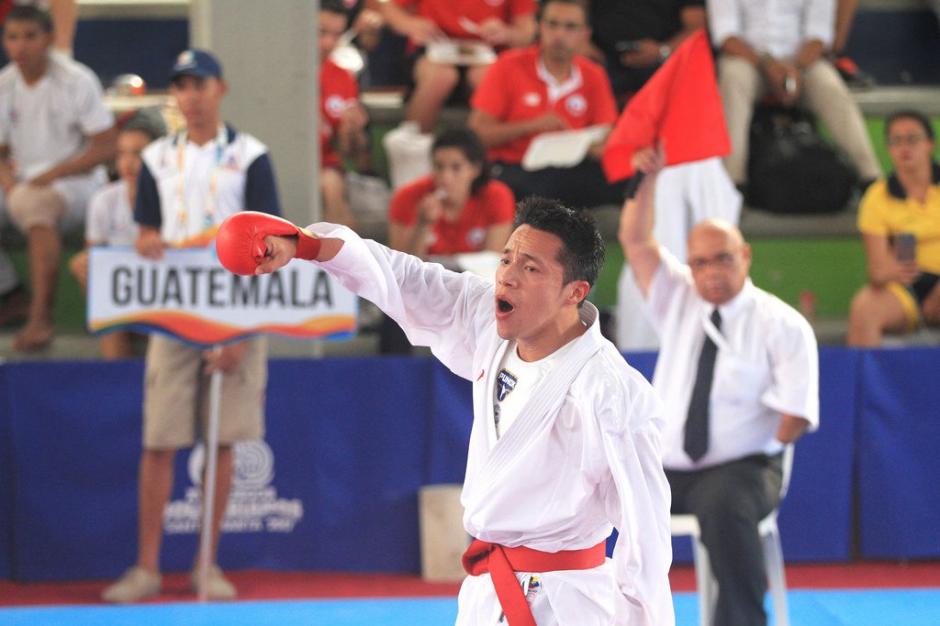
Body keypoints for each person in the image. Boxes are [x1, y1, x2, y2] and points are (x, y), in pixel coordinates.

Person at [215, 197, 675, 625]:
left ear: (574, 292)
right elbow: (405, 278)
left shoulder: (611, 392)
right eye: (506, 259)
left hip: (568, 602)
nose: (508, 276)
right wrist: (307, 246)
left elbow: (646, 531)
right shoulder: (489, 323)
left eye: (530, 268)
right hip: (487, 591)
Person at [101, 49, 281, 604]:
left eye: (200, 84)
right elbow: (147, 232)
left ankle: (208, 565)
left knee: (223, 440)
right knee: (160, 440)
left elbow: (270, 247)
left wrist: (242, 331)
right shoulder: (156, 158)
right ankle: (147, 567)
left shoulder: (251, 155)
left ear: (220, 89)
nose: (192, 94)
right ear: (174, 95)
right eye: (182, 85)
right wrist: (147, 238)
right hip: (173, 313)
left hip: (235, 310)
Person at [620, 145, 818, 626]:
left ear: (745, 256)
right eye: (701, 262)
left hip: (745, 468)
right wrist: (645, 181)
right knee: (604, 489)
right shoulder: (680, 297)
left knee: (727, 501)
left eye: (722, 259)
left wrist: (742, 439)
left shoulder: (782, 324)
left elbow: (794, 419)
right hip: (669, 466)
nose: (711, 272)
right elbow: (636, 240)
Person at [0, 4, 116, 351]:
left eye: (30, 37)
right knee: (29, 199)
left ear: (49, 39)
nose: (21, 46)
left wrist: (52, 174)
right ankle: (9, 292)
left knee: (38, 205)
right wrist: (9, 183)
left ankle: (41, 318)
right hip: (24, 183)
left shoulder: (76, 80)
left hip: (78, 184)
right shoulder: (4, 85)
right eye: (13, 37)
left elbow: (107, 147)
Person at [707, 0, 881, 189]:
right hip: (749, 59)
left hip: (801, 61)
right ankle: (733, 184)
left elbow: (819, 34)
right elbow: (725, 35)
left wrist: (796, 68)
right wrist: (768, 65)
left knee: (831, 88)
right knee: (733, 80)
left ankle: (871, 180)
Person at [468, 0, 623, 210]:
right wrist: (530, 126)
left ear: (585, 34)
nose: (559, 34)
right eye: (552, 24)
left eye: (570, 27)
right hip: (514, 164)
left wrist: (582, 145)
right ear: (539, 27)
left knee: (627, 177)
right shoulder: (508, 65)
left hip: (569, 167)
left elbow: (606, 134)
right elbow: (478, 134)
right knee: (542, 185)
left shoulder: (593, 74)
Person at [382, 127, 515, 353]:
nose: (445, 177)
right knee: (394, 308)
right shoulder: (408, 198)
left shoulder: (496, 196)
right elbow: (402, 270)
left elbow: (492, 260)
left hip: (474, 290)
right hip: (426, 290)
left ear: (474, 169)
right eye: (439, 167)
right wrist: (423, 225)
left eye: (456, 168)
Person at [68, 119, 161, 359]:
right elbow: (94, 258)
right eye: (122, 154)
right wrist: (86, 265)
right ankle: (118, 383)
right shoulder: (104, 200)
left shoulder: (174, 199)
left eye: (138, 154)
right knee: (83, 265)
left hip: (164, 301)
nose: (128, 163)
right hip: (119, 302)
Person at [848, 110, 940, 347]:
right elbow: (877, 273)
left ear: (930, 144)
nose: (904, 148)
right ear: (888, 149)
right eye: (896, 141)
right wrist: (892, 271)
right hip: (906, 288)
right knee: (864, 308)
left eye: (912, 139)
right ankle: (866, 385)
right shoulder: (878, 196)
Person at [380, 0, 537, 133]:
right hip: (433, 49)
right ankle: (409, 150)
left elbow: (526, 32)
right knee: (441, 78)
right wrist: (410, 24)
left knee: (488, 79)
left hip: (486, 53)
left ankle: (493, 156)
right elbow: (388, 6)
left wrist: (507, 33)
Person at [586, 0, 706, 101]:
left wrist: (662, 51)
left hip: (663, 62)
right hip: (600, 56)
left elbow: (696, 29)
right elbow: (575, 6)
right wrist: (584, 44)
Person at [319, 0, 371, 228]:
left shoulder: (343, 77)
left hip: (331, 171)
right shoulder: (280, 71)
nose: (328, 42)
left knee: (331, 181)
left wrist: (353, 131)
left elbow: (352, 156)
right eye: (321, 32)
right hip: (287, 162)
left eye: (336, 34)